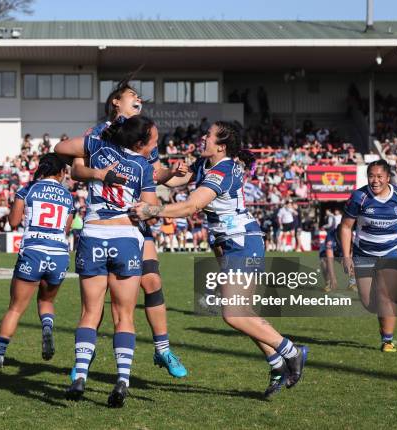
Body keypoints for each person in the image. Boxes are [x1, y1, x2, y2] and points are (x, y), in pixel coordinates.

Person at [133, 121, 308, 399]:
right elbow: (173, 179)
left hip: (241, 243)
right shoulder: (205, 165)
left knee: (234, 314)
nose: (203, 137)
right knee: (245, 314)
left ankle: (291, 352)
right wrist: (158, 169)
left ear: (221, 145)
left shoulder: (223, 169)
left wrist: (151, 209)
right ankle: (277, 365)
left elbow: (192, 206)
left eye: (209, 135)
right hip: (229, 244)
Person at [67, 78, 188, 379]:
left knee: (152, 282)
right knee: (97, 297)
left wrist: (174, 173)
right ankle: (86, 354)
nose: (139, 100)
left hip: (135, 220)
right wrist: (100, 174)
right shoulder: (97, 133)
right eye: (132, 96)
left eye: (139, 98)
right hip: (107, 218)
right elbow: (76, 169)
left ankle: (162, 349)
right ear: (115, 103)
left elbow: (154, 173)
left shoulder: (142, 133)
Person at [55, 115, 159, 407]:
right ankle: (122, 381)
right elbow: (148, 209)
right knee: (124, 316)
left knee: (89, 313)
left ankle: (81, 377)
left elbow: (62, 148)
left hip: (93, 234)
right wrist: (152, 208)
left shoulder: (97, 147)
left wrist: (96, 174)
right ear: (139, 143)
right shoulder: (142, 166)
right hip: (125, 237)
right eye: (153, 141)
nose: (155, 146)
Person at [0, 154, 74, 369]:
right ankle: (47, 327)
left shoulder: (28, 189)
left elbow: (13, 221)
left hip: (33, 251)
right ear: (61, 172)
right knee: (46, 302)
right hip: (58, 253)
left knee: (16, 308)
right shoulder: (67, 195)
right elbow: (66, 229)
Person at [339, 159, 397, 352]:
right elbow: (345, 227)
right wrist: (346, 255)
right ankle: (385, 317)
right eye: (371, 176)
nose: (375, 181)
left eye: (379, 176)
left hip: (395, 249)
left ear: (387, 178)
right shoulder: (358, 197)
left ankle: (387, 341)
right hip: (364, 252)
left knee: (386, 295)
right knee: (369, 303)